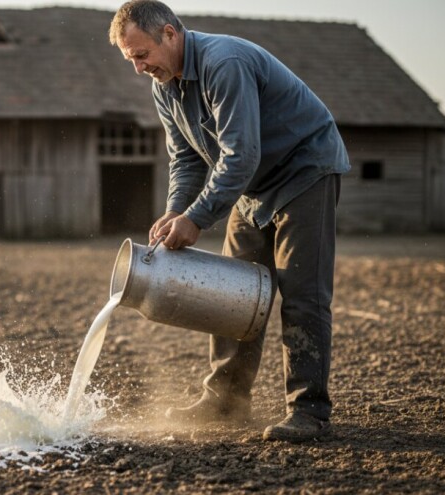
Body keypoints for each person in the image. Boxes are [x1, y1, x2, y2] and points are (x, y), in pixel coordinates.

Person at [109, 0, 350, 443]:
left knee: (302, 294)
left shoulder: (225, 63)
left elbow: (241, 155)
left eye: (142, 55)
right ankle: (225, 400)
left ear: (169, 34)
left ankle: (309, 411)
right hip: (252, 187)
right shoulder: (164, 86)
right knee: (235, 293)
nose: (139, 68)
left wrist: (197, 219)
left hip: (304, 171)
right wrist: (176, 211)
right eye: (131, 60)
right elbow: (186, 159)